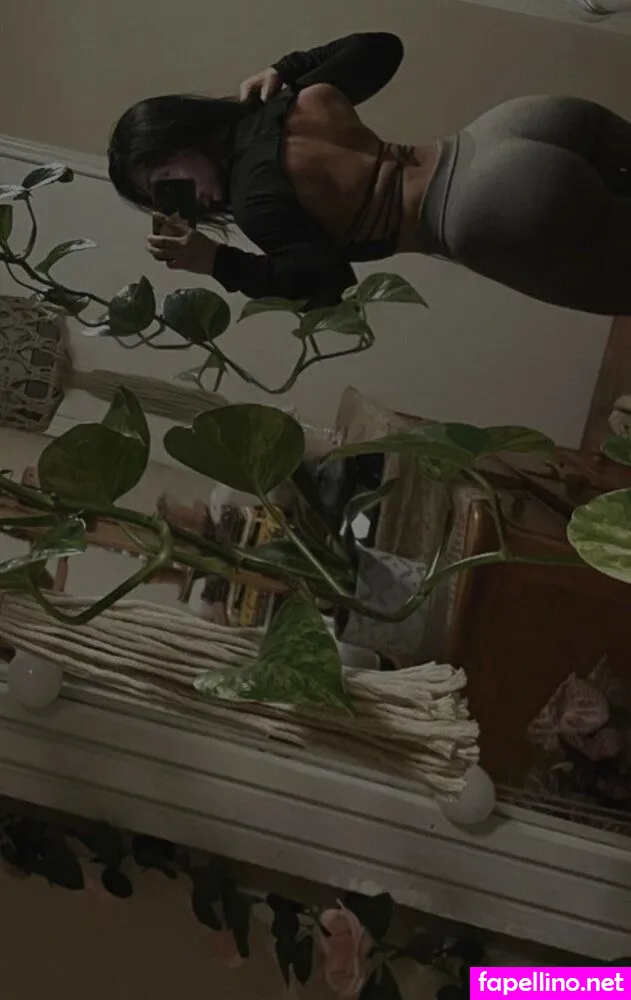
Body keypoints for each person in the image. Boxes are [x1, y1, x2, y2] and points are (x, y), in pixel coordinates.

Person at [108, 32, 631, 315]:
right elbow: (382, 48)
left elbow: (328, 283)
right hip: (511, 127)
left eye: (165, 184)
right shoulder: (286, 104)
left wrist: (217, 262)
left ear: (177, 143)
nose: (182, 202)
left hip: (482, 207)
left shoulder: (256, 199)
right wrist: (287, 68)